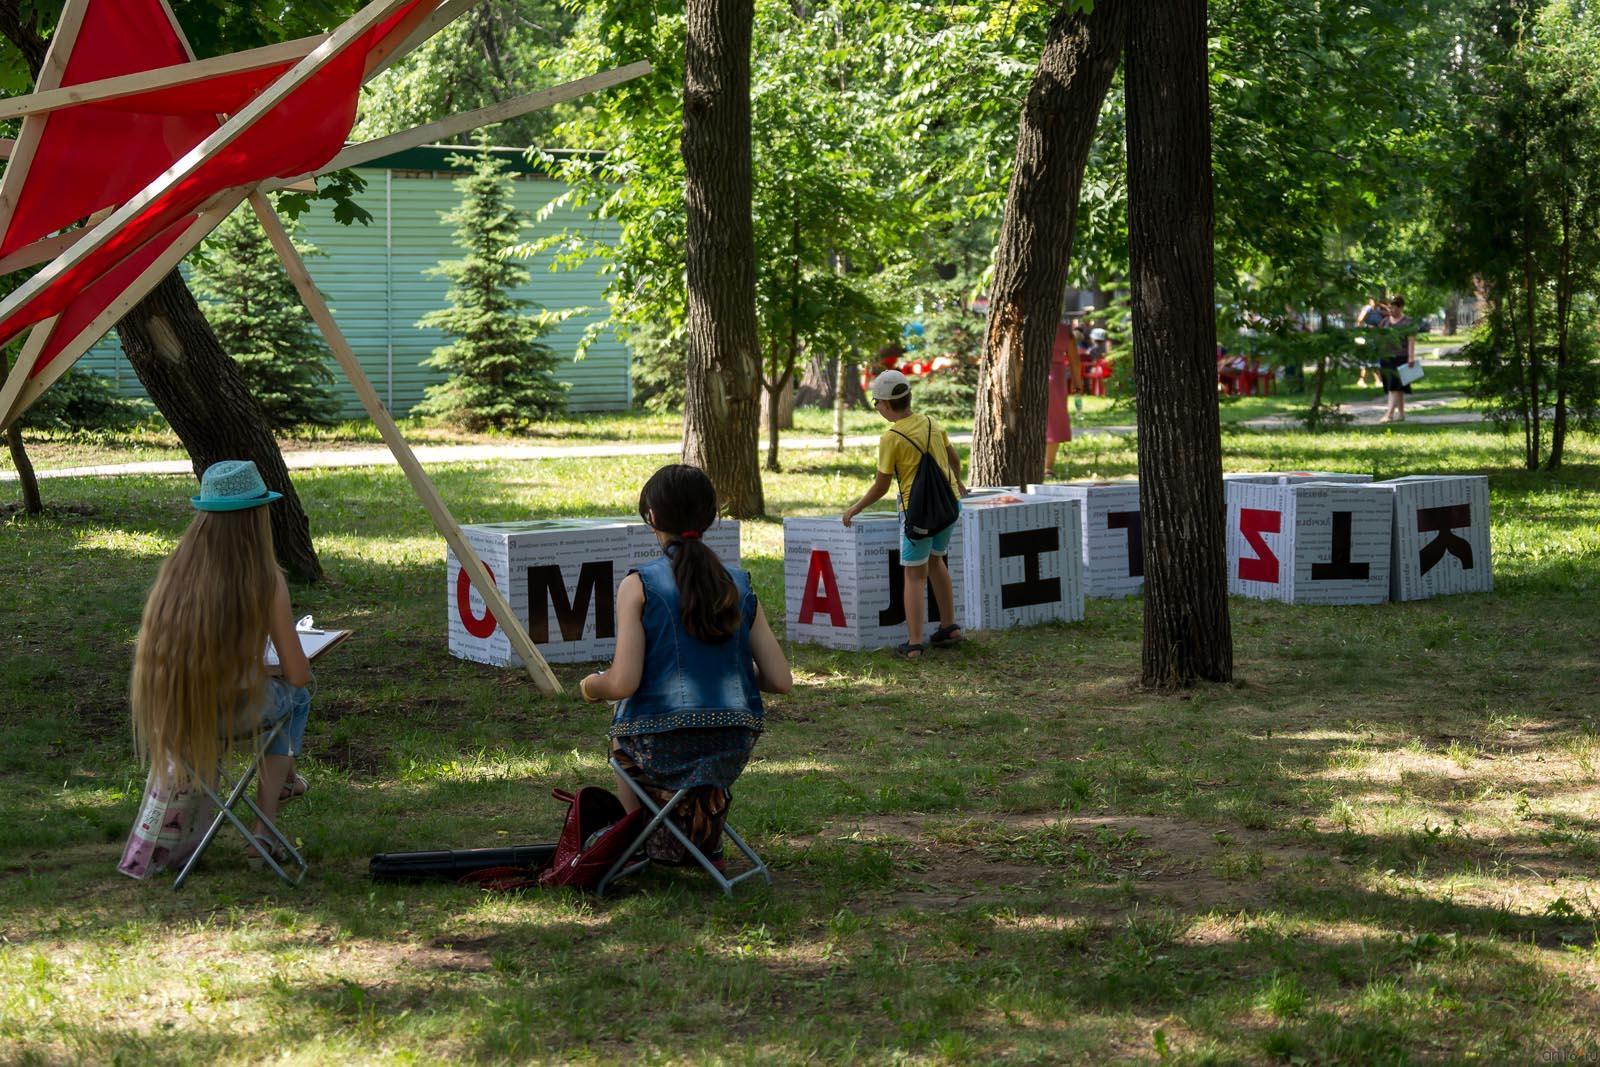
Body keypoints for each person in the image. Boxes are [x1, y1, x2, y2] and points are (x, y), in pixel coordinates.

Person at [579, 464, 792, 867]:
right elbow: (780, 680)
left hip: (660, 747)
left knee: (620, 734)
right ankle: (693, 834)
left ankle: (636, 840)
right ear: (710, 517)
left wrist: (592, 685)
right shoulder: (739, 584)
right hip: (730, 749)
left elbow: (623, 682)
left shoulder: (639, 584)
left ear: (651, 517)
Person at [130, 460, 313, 866]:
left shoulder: (175, 574)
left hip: (174, 715)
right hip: (224, 715)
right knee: (298, 697)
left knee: (278, 691)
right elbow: (299, 674)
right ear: (256, 517)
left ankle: (289, 783)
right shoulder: (265, 580)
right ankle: (264, 832)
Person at [841, 369, 967, 659]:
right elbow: (954, 460)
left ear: (885, 405)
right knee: (937, 563)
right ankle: (949, 626)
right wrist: (957, 483)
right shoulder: (932, 422)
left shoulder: (891, 438)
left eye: (876, 404)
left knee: (913, 576)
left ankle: (913, 644)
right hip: (948, 506)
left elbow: (881, 486)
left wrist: (855, 508)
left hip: (918, 514)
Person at [1376, 295, 1418, 423]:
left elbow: (1411, 341)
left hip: (1401, 357)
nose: (1391, 311)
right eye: (1389, 308)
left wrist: (1411, 357)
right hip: (1386, 358)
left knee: (1395, 387)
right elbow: (1379, 337)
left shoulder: (1408, 322)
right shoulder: (1384, 322)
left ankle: (1389, 415)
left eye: (1393, 308)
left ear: (1400, 307)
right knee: (1395, 387)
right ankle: (1401, 414)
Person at [1045, 322, 1075, 478]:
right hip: (1057, 377)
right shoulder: (1063, 330)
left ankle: (1039, 464)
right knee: (1054, 423)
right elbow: (1074, 358)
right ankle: (1047, 466)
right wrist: (1078, 382)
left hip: (1031, 375)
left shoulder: (1027, 324)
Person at [1354, 297, 1385, 387]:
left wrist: (1383, 306)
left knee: (1375, 358)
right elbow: (1359, 321)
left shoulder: (1378, 310)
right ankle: (1371, 380)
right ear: (1369, 301)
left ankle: (1375, 380)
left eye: (1376, 300)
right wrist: (1359, 334)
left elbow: (1390, 312)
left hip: (1376, 338)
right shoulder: (1367, 309)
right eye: (1373, 300)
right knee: (1369, 358)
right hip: (1368, 337)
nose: (1374, 302)